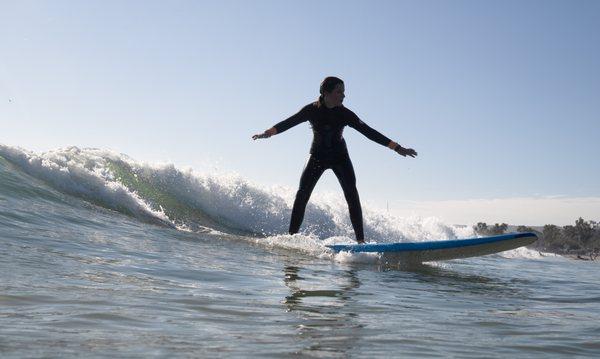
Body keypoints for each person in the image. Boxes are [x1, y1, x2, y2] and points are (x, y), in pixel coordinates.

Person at [252, 76, 417, 243]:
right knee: (302, 194)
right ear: (326, 92)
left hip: (340, 157)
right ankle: (291, 238)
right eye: (339, 92)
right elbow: (289, 122)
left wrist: (396, 147)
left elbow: (368, 132)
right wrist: (268, 133)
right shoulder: (311, 110)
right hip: (317, 156)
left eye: (343, 92)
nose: (343, 96)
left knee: (352, 194)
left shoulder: (345, 114)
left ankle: (361, 242)